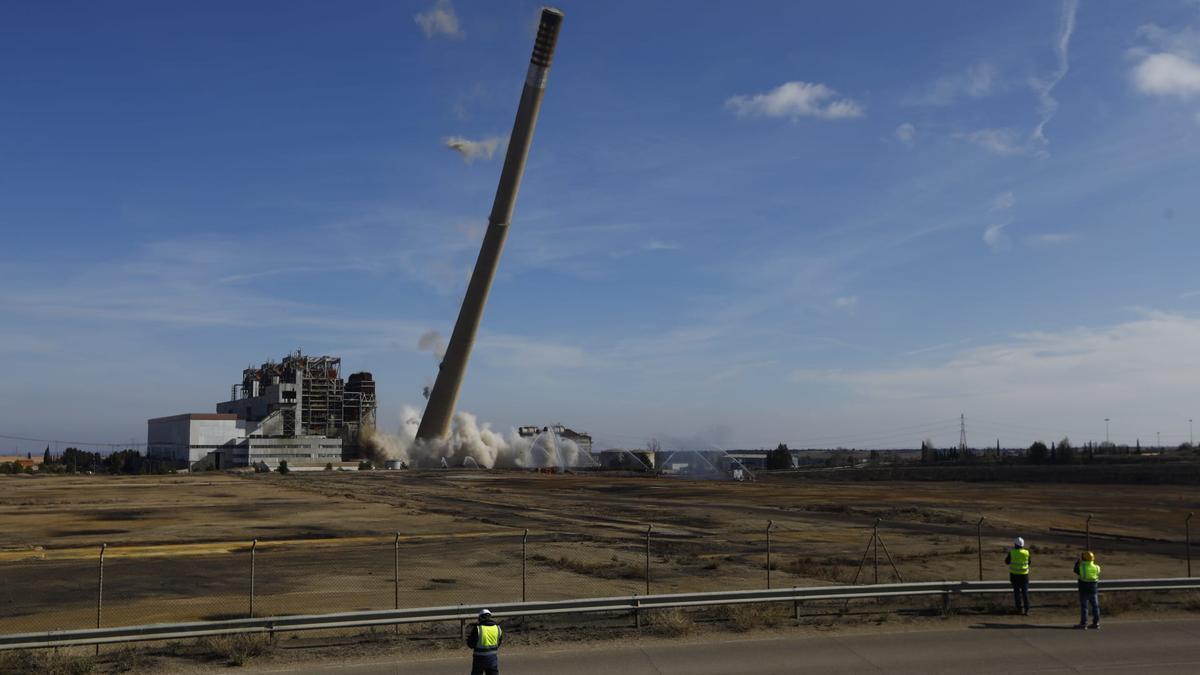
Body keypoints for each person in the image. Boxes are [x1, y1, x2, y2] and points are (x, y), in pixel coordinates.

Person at [466, 608, 503, 675]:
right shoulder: (497, 628)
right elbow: (499, 642)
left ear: (480, 618)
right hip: (492, 659)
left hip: (479, 660)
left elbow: (470, 644)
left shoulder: (478, 628)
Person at [1074, 551, 1101, 629]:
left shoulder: (1081, 567)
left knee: (1084, 607)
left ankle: (1083, 623)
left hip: (1084, 590)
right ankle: (1096, 623)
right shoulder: (1097, 567)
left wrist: (1077, 562)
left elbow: (1075, 570)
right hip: (1093, 589)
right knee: (1095, 607)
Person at [1005, 536, 1031, 615]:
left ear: (1015, 544)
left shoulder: (1012, 553)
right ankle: (1027, 609)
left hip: (1014, 576)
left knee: (1017, 593)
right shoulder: (1027, 553)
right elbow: (1029, 562)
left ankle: (1019, 609)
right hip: (1024, 576)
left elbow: (1007, 562)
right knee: (1025, 593)